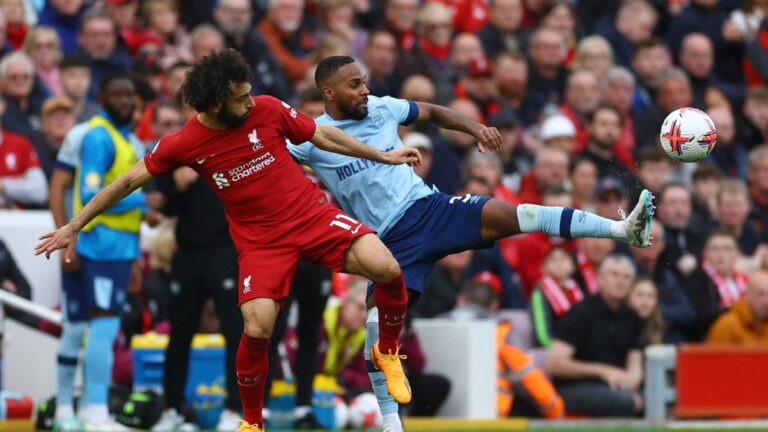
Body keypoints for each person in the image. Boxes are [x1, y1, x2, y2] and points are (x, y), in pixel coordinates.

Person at [35, 49, 421, 432]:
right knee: (256, 327)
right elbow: (124, 183)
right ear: (217, 103)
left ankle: (386, 351)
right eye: (241, 98)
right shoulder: (185, 142)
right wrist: (74, 225)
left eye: (250, 92)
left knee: (387, 267)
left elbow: (321, 135)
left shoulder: (268, 108)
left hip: (311, 218)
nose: (251, 101)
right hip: (261, 244)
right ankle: (252, 422)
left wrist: (383, 156)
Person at [288, 55, 654, 431]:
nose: (364, 90)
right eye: (354, 85)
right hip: (387, 243)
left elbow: (430, 111)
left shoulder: (382, 108)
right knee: (377, 328)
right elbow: (267, 157)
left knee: (510, 215)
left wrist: (476, 128)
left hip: (430, 209)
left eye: (363, 81)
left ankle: (622, 230)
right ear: (328, 92)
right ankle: (390, 423)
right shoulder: (313, 139)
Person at [546, 254, 644, 417]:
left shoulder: (632, 317)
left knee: (653, 395)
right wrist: (601, 371)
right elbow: (554, 364)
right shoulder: (580, 312)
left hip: (616, 386)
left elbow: (635, 362)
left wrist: (632, 380)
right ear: (600, 279)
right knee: (624, 401)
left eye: (626, 277)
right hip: (574, 387)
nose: (620, 281)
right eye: (614, 274)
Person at [707, 270, 768, 345]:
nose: (766, 301)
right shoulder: (726, 326)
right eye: (760, 294)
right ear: (748, 295)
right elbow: (713, 355)